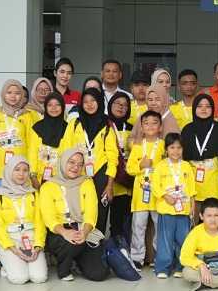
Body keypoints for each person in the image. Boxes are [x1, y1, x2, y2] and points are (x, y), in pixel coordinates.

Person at [39, 147, 109, 281]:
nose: (75, 167)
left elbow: (91, 213)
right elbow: (49, 218)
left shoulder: (87, 183)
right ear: (63, 162)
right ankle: (64, 269)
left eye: (80, 164)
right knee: (70, 244)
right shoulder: (48, 186)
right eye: (71, 162)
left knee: (99, 274)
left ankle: (77, 261)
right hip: (59, 232)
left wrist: (85, 231)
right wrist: (65, 232)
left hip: (83, 230)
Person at [0, 157, 47, 285]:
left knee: (39, 278)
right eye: (17, 170)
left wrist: (37, 247)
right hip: (10, 242)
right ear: (9, 171)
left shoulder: (33, 194)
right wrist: (14, 250)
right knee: (19, 279)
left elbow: (40, 222)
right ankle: (8, 265)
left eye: (25, 170)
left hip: (31, 240)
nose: (21, 174)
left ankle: (20, 263)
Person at [62, 87, 113, 234]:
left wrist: (109, 185)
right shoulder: (75, 123)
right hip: (77, 174)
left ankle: (98, 247)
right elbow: (65, 150)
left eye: (93, 101)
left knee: (100, 213)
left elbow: (112, 156)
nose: (89, 104)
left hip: (101, 174)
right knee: (78, 211)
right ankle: (79, 245)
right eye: (85, 102)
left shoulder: (107, 124)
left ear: (99, 102)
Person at [152, 133, 196, 279]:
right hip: (166, 209)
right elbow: (155, 186)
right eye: (172, 147)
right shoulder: (160, 166)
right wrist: (165, 196)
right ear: (166, 150)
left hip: (183, 210)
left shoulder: (186, 166)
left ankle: (180, 266)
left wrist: (192, 207)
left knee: (182, 239)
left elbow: (191, 189)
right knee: (165, 239)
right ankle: (163, 267)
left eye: (179, 148)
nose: (175, 151)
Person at [127, 110, 165, 269]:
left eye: (154, 122)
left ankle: (159, 257)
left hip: (158, 195)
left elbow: (168, 166)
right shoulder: (137, 146)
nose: (150, 126)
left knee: (159, 227)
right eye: (146, 123)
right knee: (138, 227)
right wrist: (140, 165)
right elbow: (129, 168)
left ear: (161, 127)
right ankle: (137, 257)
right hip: (140, 195)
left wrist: (155, 167)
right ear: (141, 127)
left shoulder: (163, 145)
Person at [181, 93, 218, 221]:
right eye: (200, 106)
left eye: (207, 106)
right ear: (194, 108)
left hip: (214, 183)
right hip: (192, 181)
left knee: (213, 219)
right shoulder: (187, 130)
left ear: (213, 109)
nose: (203, 109)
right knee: (194, 221)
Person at [0, 79, 29, 189]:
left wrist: (30, 171)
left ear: (22, 96)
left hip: (20, 172)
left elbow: (31, 145)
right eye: (9, 93)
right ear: (3, 94)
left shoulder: (27, 116)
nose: (13, 96)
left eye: (17, 93)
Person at [102, 92, 133, 242]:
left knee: (126, 220)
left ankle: (124, 250)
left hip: (129, 180)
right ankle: (113, 251)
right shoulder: (104, 125)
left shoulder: (133, 128)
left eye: (125, 105)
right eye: (117, 104)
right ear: (110, 105)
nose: (121, 107)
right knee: (112, 219)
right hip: (111, 179)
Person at [27, 92, 66, 186]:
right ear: (45, 107)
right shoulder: (37, 127)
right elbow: (32, 153)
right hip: (39, 178)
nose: (54, 108)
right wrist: (33, 176)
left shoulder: (68, 128)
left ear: (63, 107)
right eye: (50, 105)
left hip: (61, 178)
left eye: (57, 105)